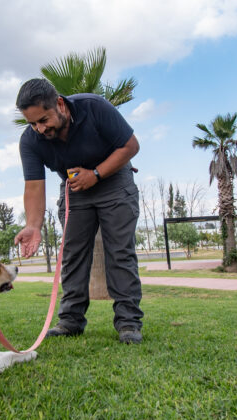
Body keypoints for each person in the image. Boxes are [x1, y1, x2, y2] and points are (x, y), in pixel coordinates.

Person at [13, 78, 143, 344]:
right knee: (72, 255)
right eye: (32, 123)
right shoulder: (30, 140)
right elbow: (34, 186)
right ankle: (70, 321)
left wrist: (96, 174)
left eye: (44, 119)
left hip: (114, 181)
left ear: (59, 104)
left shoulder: (94, 107)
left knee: (120, 253)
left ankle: (128, 322)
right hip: (75, 189)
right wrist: (33, 226)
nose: (39, 129)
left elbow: (131, 146)